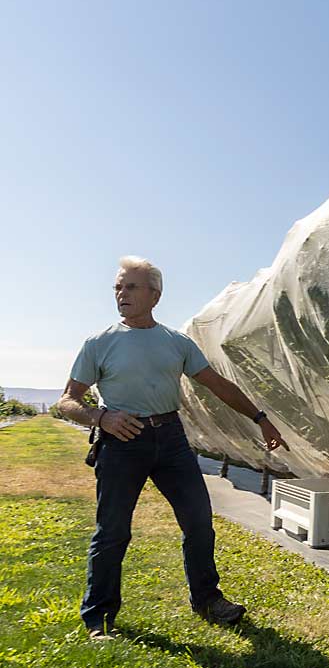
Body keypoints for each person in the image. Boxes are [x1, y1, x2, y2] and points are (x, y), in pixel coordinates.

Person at [56, 255, 289, 641]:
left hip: (171, 440)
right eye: (118, 286)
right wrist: (101, 418)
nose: (121, 293)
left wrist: (260, 417)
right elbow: (67, 400)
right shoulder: (99, 344)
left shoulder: (175, 343)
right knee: (112, 531)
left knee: (199, 520)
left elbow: (218, 384)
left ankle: (208, 600)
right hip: (121, 442)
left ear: (155, 295)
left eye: (131, 286)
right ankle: (98, 617)